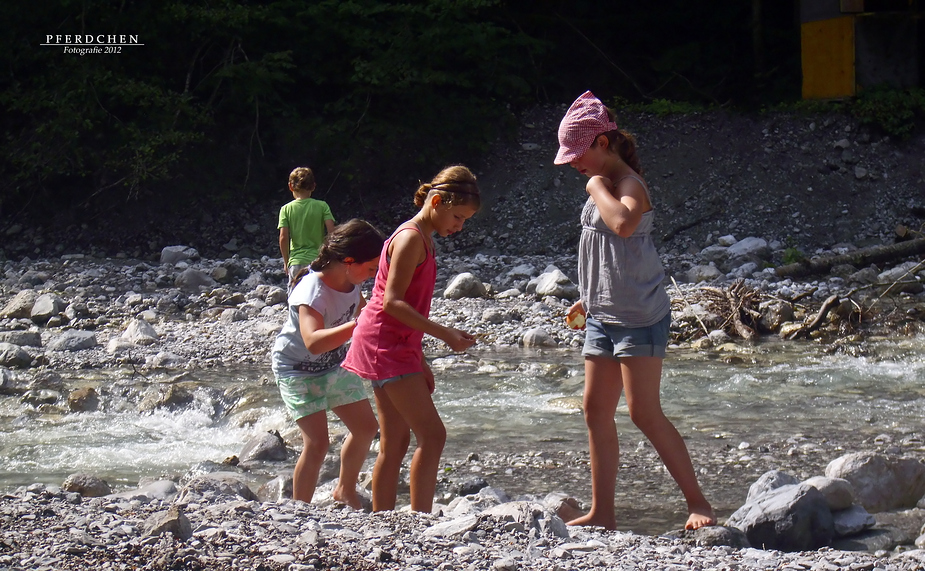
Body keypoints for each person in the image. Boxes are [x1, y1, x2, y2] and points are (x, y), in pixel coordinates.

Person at [554, 91, 715, 531]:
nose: (573, 164)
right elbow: (599, 250)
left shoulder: (629, 187)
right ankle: (602, 512)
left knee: (644, 412)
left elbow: (622, 225)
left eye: (577, 154)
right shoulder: (606, 187)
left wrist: (593, 186)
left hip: (640, 316)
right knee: (594, 410)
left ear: (603, 143)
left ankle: (699, 503)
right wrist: (587, 296)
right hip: (603, 314)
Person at [342, 165, 480, 513]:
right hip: (383, 344)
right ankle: (420, 519)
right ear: (436, 201)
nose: (459, 227)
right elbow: (392, 302)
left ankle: (384, 519)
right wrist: (445, 334)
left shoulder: (424, 238)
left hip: (394, 344)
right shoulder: (410, 238)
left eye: (465, 221)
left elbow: (404, 307)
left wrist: (420, 360)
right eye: (458, 217)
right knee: (432, 435)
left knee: (396, 440)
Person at [271, 218, 384, 509]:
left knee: (366, 428)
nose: (373, 275)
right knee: (318, 443)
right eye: (371, 268)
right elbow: (314, 341)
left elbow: (365, 313)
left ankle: (345, 490)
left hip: (333, 363)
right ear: (348, 261)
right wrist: (358, 325)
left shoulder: (349, 282)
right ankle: (299, 509)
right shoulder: (312, 290)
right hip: (296, 369)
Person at [279, 167, 336, 290]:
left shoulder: (286, 209)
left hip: (296, 261)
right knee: (317, 297)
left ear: (290, 186)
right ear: (313, 186)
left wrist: (286, 261)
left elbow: (283, 237)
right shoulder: (322, 206)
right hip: (318, 260)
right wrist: (327, 253)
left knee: (295, 298)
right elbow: (332, 233)